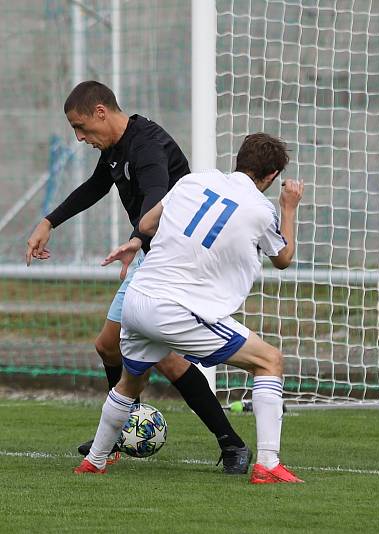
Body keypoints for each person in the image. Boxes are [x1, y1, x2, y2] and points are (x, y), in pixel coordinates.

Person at [25, 81, 251, 472]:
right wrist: (49, 220)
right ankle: (122, 433)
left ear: (101, 112)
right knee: (109, 347)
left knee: (161, 358)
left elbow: (156, 194)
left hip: (172, 260)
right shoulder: (116, 146)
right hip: (151, 254)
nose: (79, 137)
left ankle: (231, 445)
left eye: (81, 127)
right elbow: (97, 186)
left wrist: (135, 238)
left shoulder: (145, 143)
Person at [73, 132, 304, 483]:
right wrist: (288, 208)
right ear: (271, 177)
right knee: (269, 360)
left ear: (239, 160)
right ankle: (268, 465)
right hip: (177, 308)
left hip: (139, 298)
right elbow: (284, 257)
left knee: (129, 382)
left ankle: (95, 460)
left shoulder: (197, 181)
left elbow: (148, 224)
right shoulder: (260, 209)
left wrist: (145, 242)